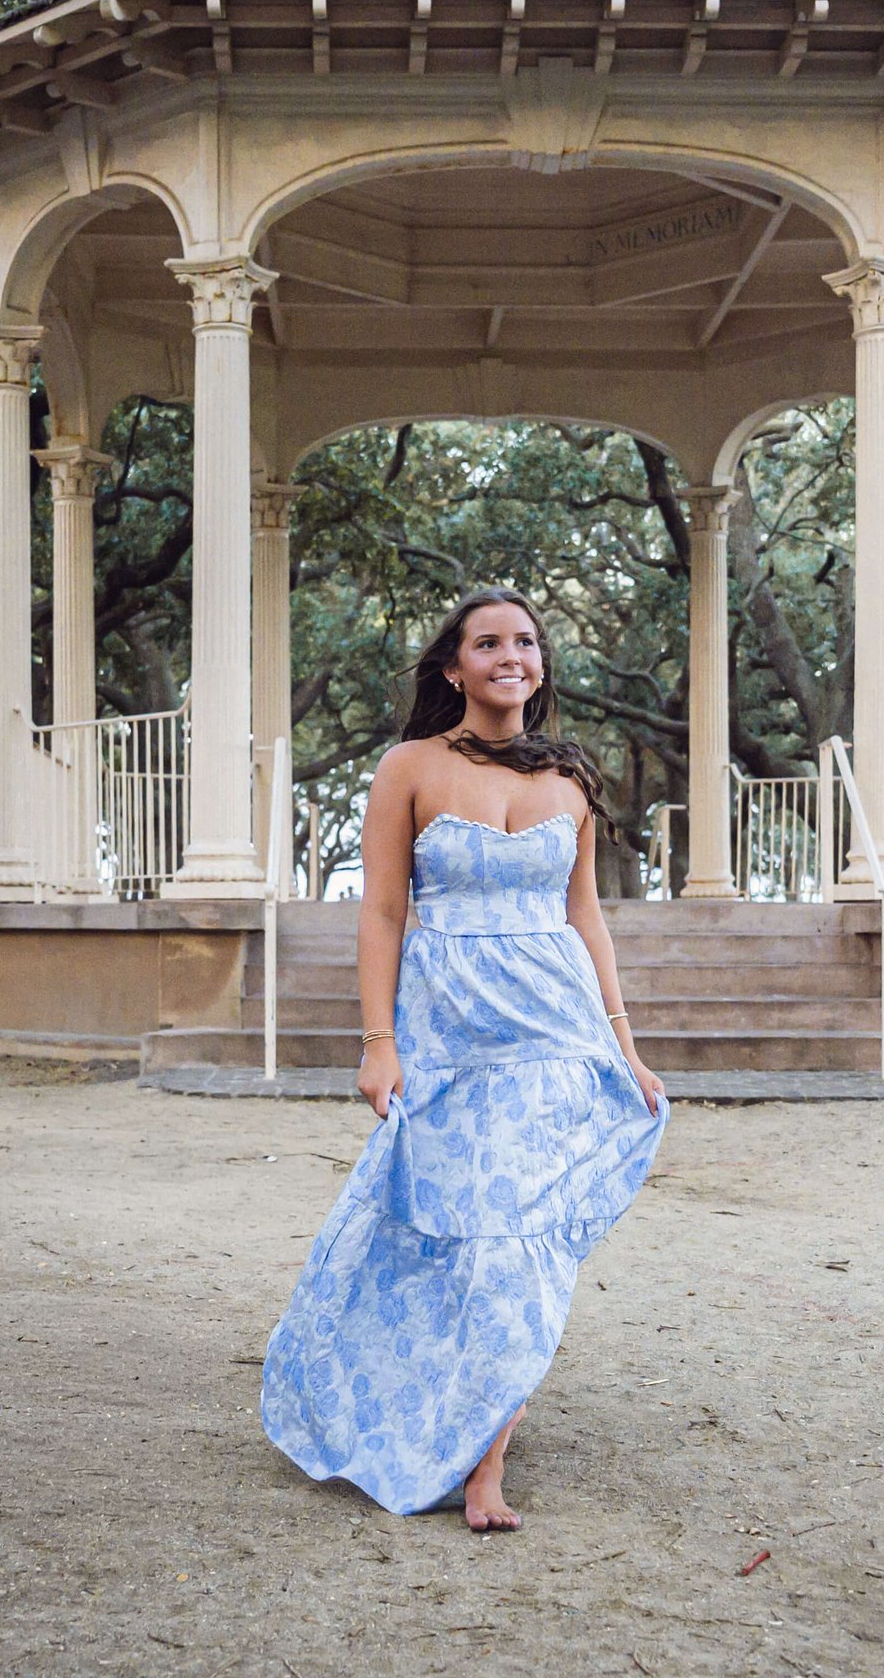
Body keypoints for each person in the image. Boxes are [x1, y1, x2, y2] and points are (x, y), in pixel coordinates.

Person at [260, 588, 669, 1531]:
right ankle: (411, 1407)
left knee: (518, 1251)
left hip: (553, 1038)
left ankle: (487, 1464)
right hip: (450, 1041)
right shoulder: (409, 767)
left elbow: (585, 918)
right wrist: (379, 1043)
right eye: (489, 642)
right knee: (443, 1238)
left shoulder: (571, 780)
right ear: (455, 667)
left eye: (525, 641)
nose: (510, 655)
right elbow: (384, 913)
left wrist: (624, 1045)